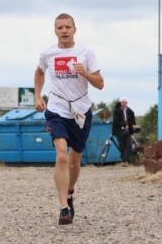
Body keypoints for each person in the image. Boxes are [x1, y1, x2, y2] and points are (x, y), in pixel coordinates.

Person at [34, 13, 104, 225]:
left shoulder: (86, 52)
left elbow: (100, 84)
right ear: (55, 31)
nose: (64, 31)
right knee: (62, 156)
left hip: (81, 111)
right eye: (59, 27)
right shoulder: (48, 53)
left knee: (75, 159)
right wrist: (38, 95)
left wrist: (85, 74)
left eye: (67, 27)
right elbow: (39, 73)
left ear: (75, 29)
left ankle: (70, 191)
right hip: (56, 110)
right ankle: (64, 207)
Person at [112, 97, 137, 163]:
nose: (124, 104)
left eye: (125, 103)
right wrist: (124, 124)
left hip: (127, 130)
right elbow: (116, 121)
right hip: (119, 130)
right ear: (120, 103)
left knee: (129, 145)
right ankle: (124, 160)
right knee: (122, 146)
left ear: (127, 103)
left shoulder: (129, 110)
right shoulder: (116, 110)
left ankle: (125, 160)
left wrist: (133, 124)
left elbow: (132, 116)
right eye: (123, 102)